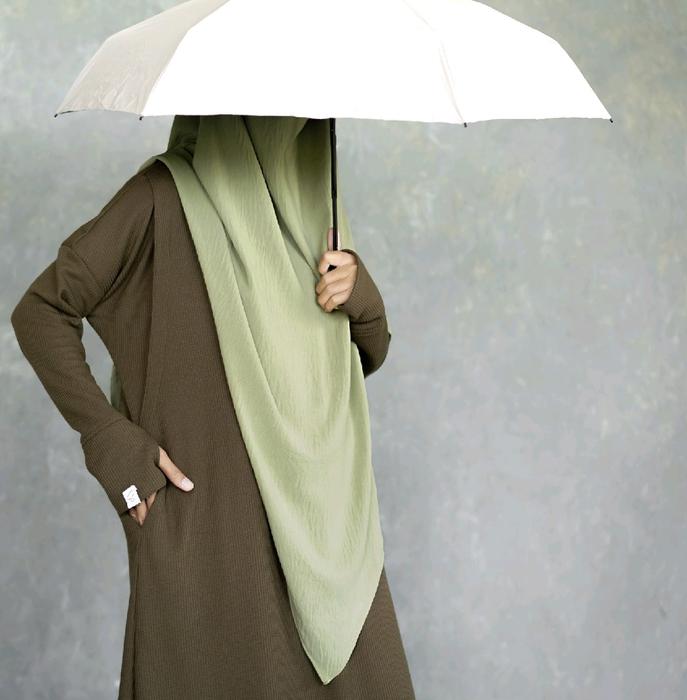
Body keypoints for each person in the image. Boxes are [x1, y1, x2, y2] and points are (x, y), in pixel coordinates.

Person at [10, 114, 416, 699]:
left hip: (325, 531)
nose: (297, 125)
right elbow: (41, 311)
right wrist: (112, 445)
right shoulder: (161, 197)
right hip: (212, 539)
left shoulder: (314, 213)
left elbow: (354, 365)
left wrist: (362, 298)